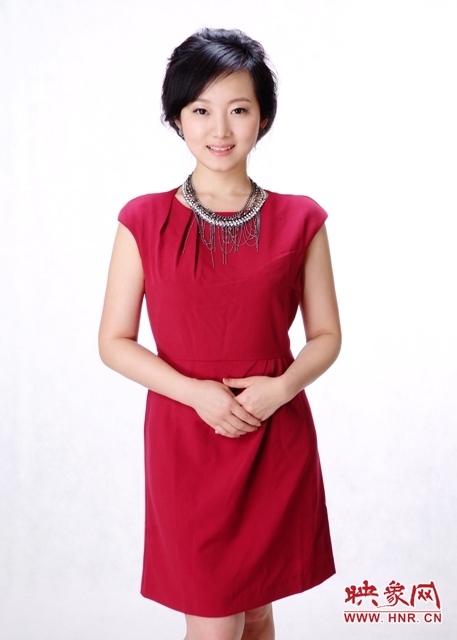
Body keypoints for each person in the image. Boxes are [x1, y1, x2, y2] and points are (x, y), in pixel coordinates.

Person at [98, 27, 341, 640]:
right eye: (201, 110)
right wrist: (196, 393)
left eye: (239, 109)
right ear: (177, 119)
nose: (220, 129)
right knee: (213, 622)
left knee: (256, 613)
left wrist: (280, 389)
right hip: (187, 438)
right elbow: (114, 342)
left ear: (263, 118)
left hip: (273, 433)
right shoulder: (142, 219)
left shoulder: (301, 219)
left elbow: (325, 335)